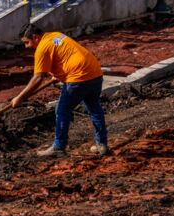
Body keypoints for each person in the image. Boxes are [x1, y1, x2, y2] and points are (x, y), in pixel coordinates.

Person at [10, 23, 109, 157]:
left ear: (35, 37)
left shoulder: (42, 48)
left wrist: (20, 97)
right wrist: (58, 75)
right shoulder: (55, 35)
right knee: (94, 108)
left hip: (78, 77)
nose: (26, 46)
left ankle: (59, 146)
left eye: (27, 42)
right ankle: (101, 144)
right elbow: (64, 54)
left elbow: (38, 78)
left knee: (62, 110)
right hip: (95, 73)